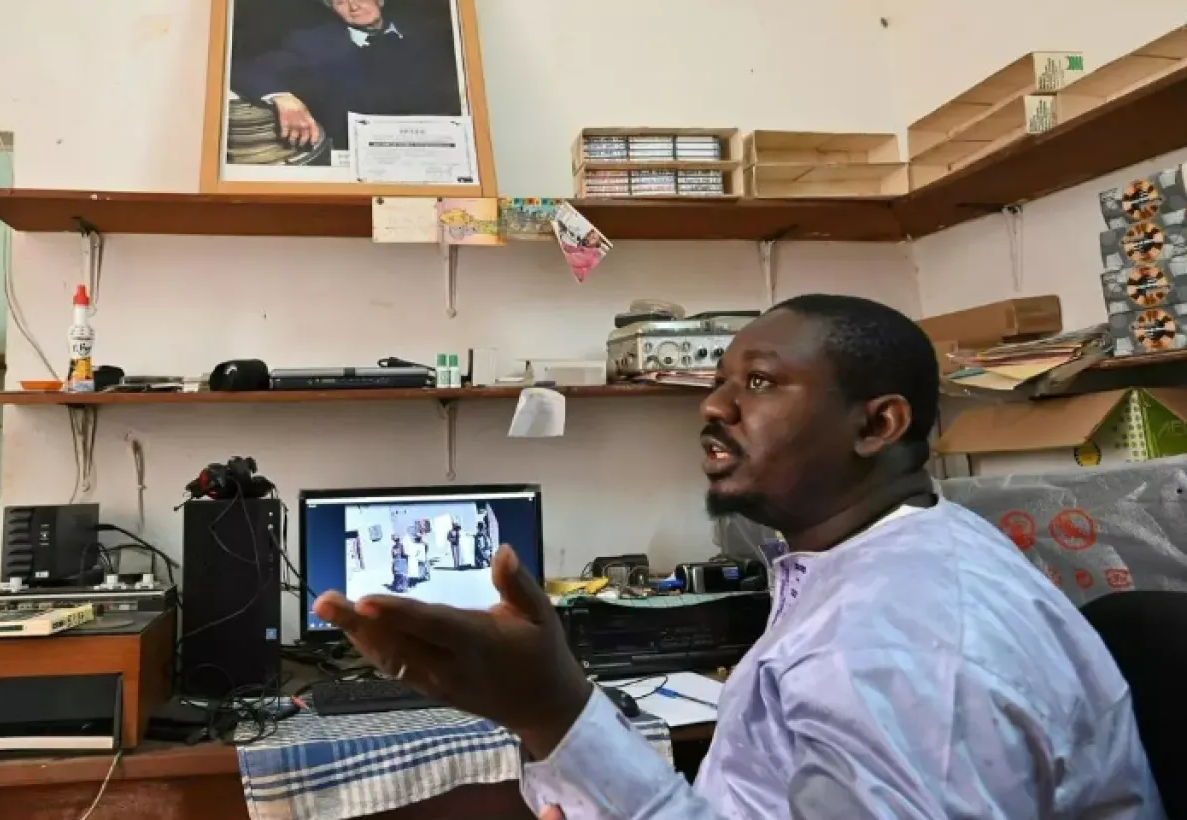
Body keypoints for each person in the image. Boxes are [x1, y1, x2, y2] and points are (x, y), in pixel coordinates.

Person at [314, 294, 1163, 819]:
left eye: (758, 383)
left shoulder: (910, 640)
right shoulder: (877, 558)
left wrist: (554, 709)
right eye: (717, 381)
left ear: (878, 425)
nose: (712, 407)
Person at [231, 0, 464, 154]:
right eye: (341, 1)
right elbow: (243, 68)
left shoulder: (431, 36)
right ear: (332, 9)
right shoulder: (313, 44)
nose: (354, 6)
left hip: (438, 151)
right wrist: (282, 97)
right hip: (360, 158)